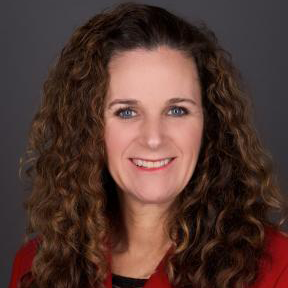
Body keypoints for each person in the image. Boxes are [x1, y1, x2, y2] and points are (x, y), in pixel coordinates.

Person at [8, 2, 288, 288]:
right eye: (126, 112)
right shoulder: (36, 267)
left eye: (177, 110)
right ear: (88, 127)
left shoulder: (277, 268)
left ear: (210, 122)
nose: (154, 138)